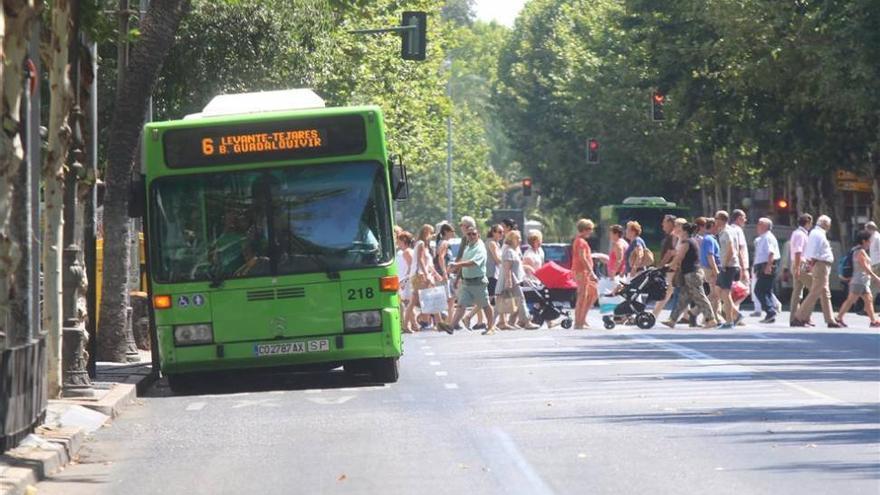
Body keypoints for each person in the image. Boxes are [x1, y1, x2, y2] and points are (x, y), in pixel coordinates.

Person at [440, 226, 496, 335]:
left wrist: (456, 264)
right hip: (466, 282)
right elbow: (464, 263)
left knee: (485, 305)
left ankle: (490, 327)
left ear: (478, 235)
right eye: (469, 234)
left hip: (478, 282)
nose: (471, 236)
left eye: (473, 234)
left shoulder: (480, 248)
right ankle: (451, 327)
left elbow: (474, 262)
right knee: (461, 305)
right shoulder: (468, 247)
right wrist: (457, 277)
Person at [663, 222, 717, 328]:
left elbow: (679, 257)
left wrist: (669, 266)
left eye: (680, 228)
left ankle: (711, 319)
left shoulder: (687, 242)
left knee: (700, 297)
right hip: (689, 274)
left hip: (692, 274)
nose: (677, 230)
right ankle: (672, 320)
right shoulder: (692, 241)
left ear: (684, 231)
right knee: (682, 299)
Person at [793, 215, 841, 328]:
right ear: (825, 223)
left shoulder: (816, 233)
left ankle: (830, 319)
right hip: (821, 264)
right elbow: (813, 251)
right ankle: (799, 316)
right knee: (815, 291)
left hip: (821, 264)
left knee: (825, 293)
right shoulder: (817, 234)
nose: (829, 226)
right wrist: (811, 263)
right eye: (828, 224)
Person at [836, 230, 880, 327]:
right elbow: (865, 267)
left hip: (862, 281)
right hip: (858, 281)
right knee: (850, 300)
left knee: (868, 299)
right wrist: (876, 277)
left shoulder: (857, 250)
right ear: (864, 241)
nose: (870, 243)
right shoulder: (860, 251)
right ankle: (838, 318)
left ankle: (873, 321)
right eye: (869, 241)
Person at [496, 230, 539, 330]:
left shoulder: (513, 251)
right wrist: (509, 280)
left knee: (514, 301)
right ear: (512, 239)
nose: (520, 240)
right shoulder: (509, 251)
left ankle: (509, 322)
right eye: (518, 238)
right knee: (520, 300)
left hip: (515, 279)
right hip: (511, 280)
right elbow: (507, 267)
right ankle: (527, 322)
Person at [406, 224, 440, 332]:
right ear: (426, 232)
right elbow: (420, 260)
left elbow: (427, 263)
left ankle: (438, 323)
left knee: (429, 298)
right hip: (419, 275)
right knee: (427, 298)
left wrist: (435, 274)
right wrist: (426, 275)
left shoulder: (424, 245)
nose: (432, 236)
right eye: (431, 233)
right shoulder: (420, 244)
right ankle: (438, 323)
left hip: (421, 275)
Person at [654, 217, 684, 318]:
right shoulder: (674, 236)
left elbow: (671, 253)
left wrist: (662, 265)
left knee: (667, 292)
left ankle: (655, 314)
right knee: (679, 292)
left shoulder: (674, 236)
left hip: (673, 269)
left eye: (664, 222)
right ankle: (687, 316)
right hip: (674, 268)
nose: (662, 225)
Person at [572, 219, 598, 329]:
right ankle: (579, 322)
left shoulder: (581, 241)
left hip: (584, 271)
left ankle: (582, 319)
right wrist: (591, 272)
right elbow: (582, 258)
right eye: (590, 230)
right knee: (583, 296)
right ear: (585, 230)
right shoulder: (580, 241)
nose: (591, 232)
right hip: (582, 271)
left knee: (593, 292)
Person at [715, 211, 740, 329]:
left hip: (728, 265)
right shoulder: (728, 231)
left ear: (722, 219)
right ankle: (736, 314)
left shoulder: (727, 232)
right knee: (718, 290)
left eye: (716, 218)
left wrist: (724, 264)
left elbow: (731, 248)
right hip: (727, 264)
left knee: (725, 293)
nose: (715, 221)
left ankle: (729, 321)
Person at [753, 218, 780, 323]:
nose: (757, 226)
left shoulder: (767, 237)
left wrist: (768, 266)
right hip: (764, 265)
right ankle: (770, 313)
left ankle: (770, 311)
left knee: (758, 290)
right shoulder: (763, 237)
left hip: (767, 266)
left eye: (759, 224)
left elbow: (771, 253)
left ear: (765, 226)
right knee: (767, 291)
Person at [789, 214, 814, 326]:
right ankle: (804, 316)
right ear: (807, 223)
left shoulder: (798, 233)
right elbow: (798, 252)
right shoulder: (800, 234)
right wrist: (798, 267)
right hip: (801, 263)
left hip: (798, 263)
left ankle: (795, 318)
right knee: (815, 289)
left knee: (797, 292)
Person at [729, 209, 750, 322]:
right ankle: (734, 314)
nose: (745, 220)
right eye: (743, 218)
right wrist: (744, 268)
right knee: (743, 291)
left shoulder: (728, 229)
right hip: (739, 265)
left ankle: (732, 315)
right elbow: (740, 249)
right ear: (738, 218)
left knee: (733, 291)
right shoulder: (738, 230)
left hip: (730, 264)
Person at [700, 218, 722, 319]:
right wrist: (715, 269)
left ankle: (713, 316)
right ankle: (706, 316)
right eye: (716, 226)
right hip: (710, 269)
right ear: (712, 226)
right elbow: (710, 256)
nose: (718, 228)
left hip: (709, 268)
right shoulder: (709, 239)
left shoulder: (709, 238)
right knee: (714, 294)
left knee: (715, 295)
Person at [434, 223, 456, 319]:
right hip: (444, 273)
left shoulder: (441, 242)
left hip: (443, 273)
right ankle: (449, 320)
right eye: (452, 232)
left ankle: (447, 320)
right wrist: (444, 272)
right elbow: (441, 258)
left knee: (447, 298)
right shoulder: (444, 243)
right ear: (446, 232)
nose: (453, 234)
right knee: (449, 299)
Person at [395, 231, 416, 333]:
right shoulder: (410, 251)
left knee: (407, 303)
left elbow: (411, 266)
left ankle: (407, 325)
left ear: (403, 240)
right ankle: (412, 324)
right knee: (408, 303)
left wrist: (405, 280)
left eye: (398, 240)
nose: (397, 242)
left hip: (406, 280)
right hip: (406, 279)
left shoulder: (406, 252)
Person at [867, 221, 880, 308]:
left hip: (877, 263)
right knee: (874, 286)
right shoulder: (873, 238)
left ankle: (867, 308)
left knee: (873, 285)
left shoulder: (877, 237)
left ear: (870, 229)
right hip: (874, 263)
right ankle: (868, 307)